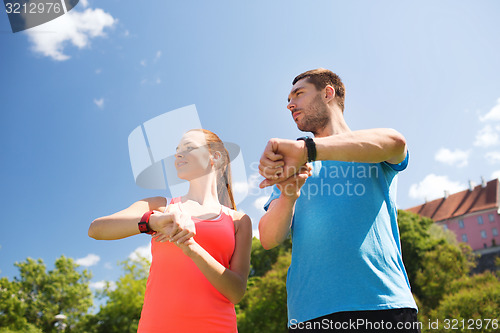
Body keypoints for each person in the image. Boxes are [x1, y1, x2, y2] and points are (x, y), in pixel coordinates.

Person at [258, 69, 419, 332]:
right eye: (288, 99)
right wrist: (288, 195)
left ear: (328, 93)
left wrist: (308, 150)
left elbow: (395, 142)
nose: (290, 104)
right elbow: (269, 238)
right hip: (309, 314)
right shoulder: (293, 168)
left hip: (383, 305)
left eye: (299, 94)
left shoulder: (369, 147)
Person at [88, 129, 252, 333]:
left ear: (215, 156)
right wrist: (152, 222)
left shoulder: (239, 221)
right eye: (177, 150)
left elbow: (236, 292)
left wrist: (191, 247)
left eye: (189, 147)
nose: (178, 154)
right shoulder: (160, 206)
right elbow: (96, 229)